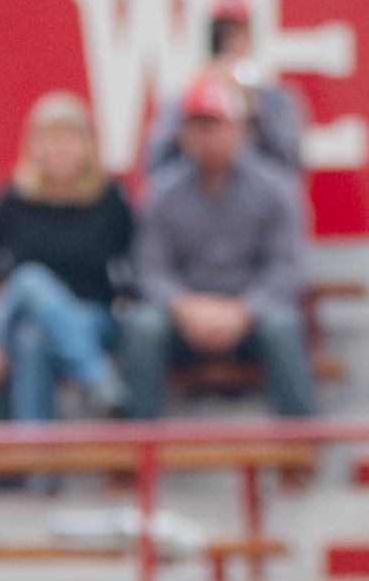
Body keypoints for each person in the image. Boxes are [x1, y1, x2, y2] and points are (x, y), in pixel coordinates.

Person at [117, 78, 312, 420]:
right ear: (181, 135)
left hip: (250, 316)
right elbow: (150, 270)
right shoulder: (161, 194)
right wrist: (185, 306)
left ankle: (298, 456)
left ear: (240, 129)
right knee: (142, 326)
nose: (207, 138)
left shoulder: (275, 188)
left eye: (215, 125)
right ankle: (139, 454)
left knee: (282, 325)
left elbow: (286, 268)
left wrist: (244, 310)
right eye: (197, 127)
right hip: (183, 318)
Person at [0, 95, 131, 425]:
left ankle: (38, 462)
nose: (60, 149)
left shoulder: (110, 200)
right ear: (34, 146)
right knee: (30, 280)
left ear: (88, 145)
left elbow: (134, 268)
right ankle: (97, 378)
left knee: (34, 338)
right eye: (51, 140)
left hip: (89, 318)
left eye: (69, 138)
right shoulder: (13, 199)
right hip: (15, 315)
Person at [144, 0, 305, 175]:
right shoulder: (182, 99)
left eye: (236, 34)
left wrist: (252, 107)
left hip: (255, 199)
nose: (229, 45)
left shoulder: (277, 102)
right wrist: (195, 110)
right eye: (221, 36)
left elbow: (290, 169)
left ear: (249, 40)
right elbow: (156, 169)